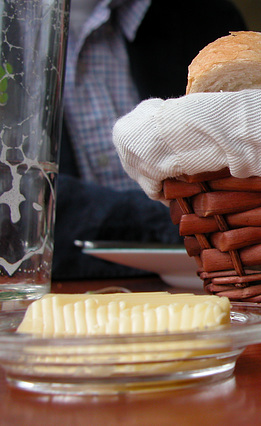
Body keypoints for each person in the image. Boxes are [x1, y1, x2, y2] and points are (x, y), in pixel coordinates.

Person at [53, 0, 246, 279]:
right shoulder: (14, 31)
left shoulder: (210, 21)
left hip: (219, 284)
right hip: (48, 297)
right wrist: (176, 219)